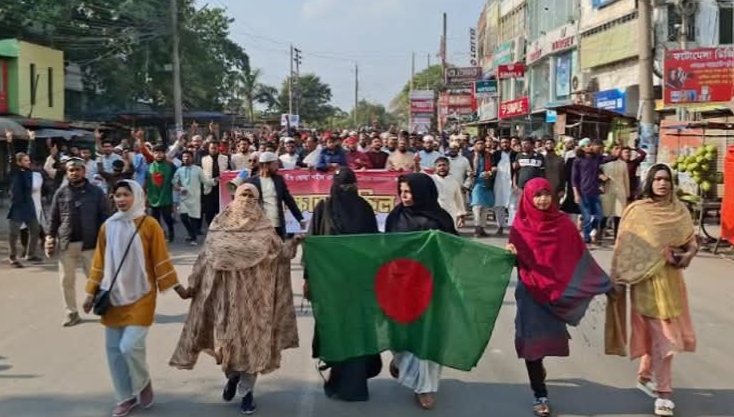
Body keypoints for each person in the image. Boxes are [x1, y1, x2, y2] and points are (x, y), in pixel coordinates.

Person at [169, 183, 300, 415]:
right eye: (243, 194)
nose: (247, 199)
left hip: (256, 301)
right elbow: (204, 260)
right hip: (225, 300)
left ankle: (247, 392)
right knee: (227, 344)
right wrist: (192, 287)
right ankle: (232, 377)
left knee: (253, 345)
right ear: (235, 197)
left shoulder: (265, 229)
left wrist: (295, 242)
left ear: (258, 201)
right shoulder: (219, 226)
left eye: (251, 196)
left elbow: (281, 254)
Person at [506, 178, 611, 416]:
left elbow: (580, 257)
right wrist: (510, 255)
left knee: (545, 339)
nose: (543, 199)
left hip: (556, 293)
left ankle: (538, 367)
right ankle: (539, 393)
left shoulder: (563, 224)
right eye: (537, 195)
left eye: (546, 194)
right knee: (531, 341)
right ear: (528, 198)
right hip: (530, 292)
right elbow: (515, 260)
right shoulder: (520, 226)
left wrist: (602, 282)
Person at [83, 180, 189, 417]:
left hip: (142, 295)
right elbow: (99, 262)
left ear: (138, 197)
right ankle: (125, 397)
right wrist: (90, 293)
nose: (121, 199)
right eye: (117, 195)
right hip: (112, 296)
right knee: (114, 351)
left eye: (126, 194)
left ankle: (142, 382)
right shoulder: (108, 226)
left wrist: (179, 288)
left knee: (129, 346)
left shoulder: (149, 225)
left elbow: (161, 260)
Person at [605, 164, 697, 417]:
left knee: (658, 336)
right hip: (644, 282)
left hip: (672, 280)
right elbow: (624, 245)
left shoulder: (679, 210)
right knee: (665, 337)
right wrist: (617, 277)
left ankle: (645, 376)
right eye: (657, 179)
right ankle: (664, 394)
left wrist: (687, 254)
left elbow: (690, 241)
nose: (662, 183)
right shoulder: (638, 211)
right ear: (649, 182)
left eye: (666, 179)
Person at [304, 168, 382, 401]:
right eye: (342, 187)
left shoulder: (365, 209)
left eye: (350, 187)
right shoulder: (323, 208)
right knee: (334, 329)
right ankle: (337, 377)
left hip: (358, 284)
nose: (346, 191)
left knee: (355, 331)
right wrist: (308, 278)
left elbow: (374, 246)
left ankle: (353, 385)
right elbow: (312, 245)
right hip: (330, 285)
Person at [384, 173, 457, 410]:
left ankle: (424, 388)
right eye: (401, 191)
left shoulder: (440, 219)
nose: (404, 196)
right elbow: (386, 248)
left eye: (408, 191)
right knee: (401, 335)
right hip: (401, 286)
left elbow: (454, 249)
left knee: (427, 337)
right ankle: (400, 362)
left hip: (432, 286)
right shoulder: (395, 217)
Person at [45, 158, 109, 327]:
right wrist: (50, 237)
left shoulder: (96, 192)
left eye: (77, 170)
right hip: (67, 243)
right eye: (71, 170)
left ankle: (101, 308)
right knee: (66, 280)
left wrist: (106, 240)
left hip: (91, 243)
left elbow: (104, 217)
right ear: (67, 173)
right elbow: (54, 217)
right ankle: (71, 313)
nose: (74, 173)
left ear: (84, 171)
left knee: (95, 279)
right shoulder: (61, 193)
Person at [246, 152, 306, 240]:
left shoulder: (279, 180)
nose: (277, 168)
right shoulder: (251, 182)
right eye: (275, 165)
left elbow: (289, 201)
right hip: (260, 226)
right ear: (266, 166)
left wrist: (300, 219)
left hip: (278, 226)